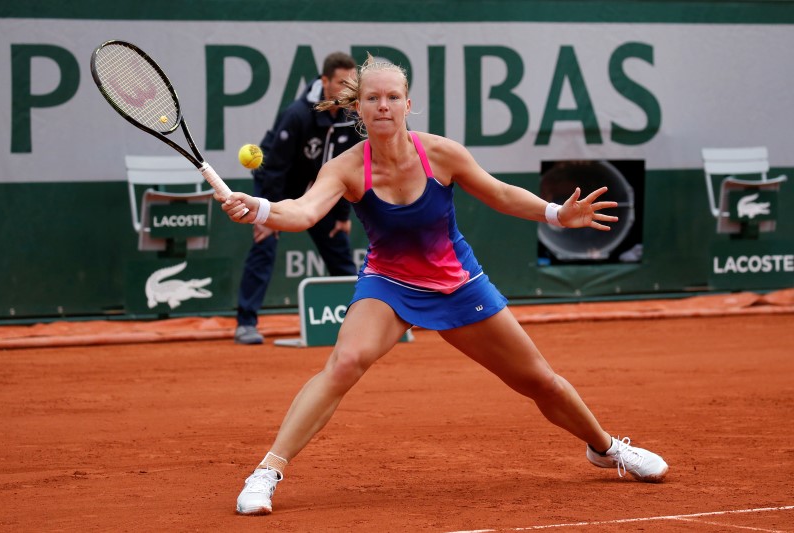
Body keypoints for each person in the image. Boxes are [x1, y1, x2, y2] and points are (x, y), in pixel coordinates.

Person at [219, 54, 669, 515]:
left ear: (407, 104)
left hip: (458, 284)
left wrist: (555, 213)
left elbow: (499, 193)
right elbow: (304, 211)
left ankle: (605, 446)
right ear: (359, 109)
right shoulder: (346, 167)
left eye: (393, 97)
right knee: (345, 361)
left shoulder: (441, 154)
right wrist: (259, 208)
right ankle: (267, 471)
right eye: (372, 98)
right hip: (389, 285)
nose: (383, 106)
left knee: (540, 381)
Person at [234, 51, 362, 344]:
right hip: (279, 187)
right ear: (324, 81)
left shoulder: (352, 116)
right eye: (341, 83)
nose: (347, 90)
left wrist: (342, 217)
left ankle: (365, 322)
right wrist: (267, 216)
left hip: (320, 192)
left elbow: (349, 171)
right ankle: (246, 322)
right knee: (264, 245)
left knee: (339, 252)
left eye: (352, 83)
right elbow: (275, 168)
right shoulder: (298, 114)